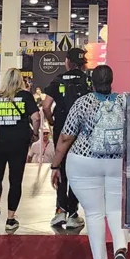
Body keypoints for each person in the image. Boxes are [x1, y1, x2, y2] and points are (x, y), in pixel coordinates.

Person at [51, 65, 129, 259]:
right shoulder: (124, 102)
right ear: (112, 80)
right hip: (116, 162)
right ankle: (120, 251)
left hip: (84, 161)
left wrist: (55, 165)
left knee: (95, 213)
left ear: (91, 81)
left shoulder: (83, 102)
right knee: (116, 210)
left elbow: (66, 137)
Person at [42, 48, 91, 230]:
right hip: (82, 131)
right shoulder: (88, 80)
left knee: (60, 167)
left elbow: (46, 106)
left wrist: (52, 121)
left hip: (61, 130)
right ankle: (73, 213)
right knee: (78, 170)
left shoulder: (58, 79)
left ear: (67, 62)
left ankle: (59, 210)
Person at [0, 70, 38, 232]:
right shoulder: (25, 96)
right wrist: (36, 133)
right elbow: (36, 117)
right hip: (19, 142)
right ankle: (10, 219)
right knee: (15, 180)